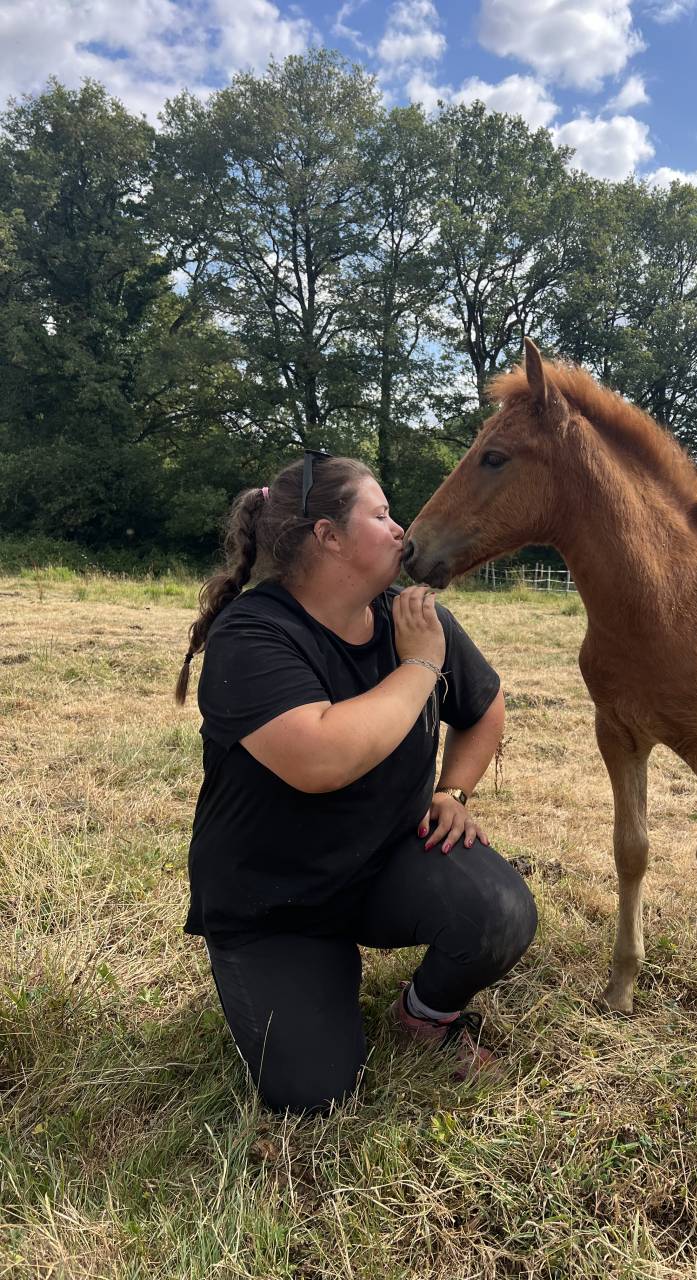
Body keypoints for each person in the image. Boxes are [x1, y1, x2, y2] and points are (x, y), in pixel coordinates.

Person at [174, 452, 537, 1114]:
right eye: (380, 514)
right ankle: (297, 977)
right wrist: (422, 666)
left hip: (381, 865)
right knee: (316, 1094)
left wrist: (451, 792)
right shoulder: (254, 634)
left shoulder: (412, 617)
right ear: (328, 536)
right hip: (272, 905)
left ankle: (427, 1015)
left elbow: (485, 710)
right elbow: (320, 757)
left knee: (499, 910)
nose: (401, 530)